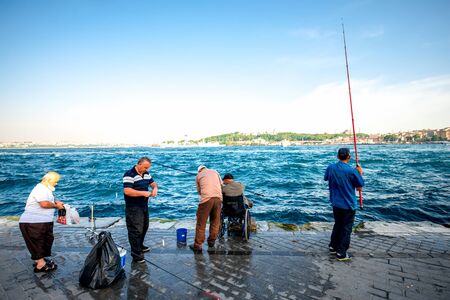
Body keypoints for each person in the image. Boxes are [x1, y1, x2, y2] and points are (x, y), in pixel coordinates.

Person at [19, 172, 65, 272]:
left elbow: (46, 201)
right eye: (55, 182)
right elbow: (44, 204)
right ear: (47, 180)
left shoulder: (45, 190)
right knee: (38, 241)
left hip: (41, 221)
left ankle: (40, 259)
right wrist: (56, 206)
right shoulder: (40, 189)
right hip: (34, 222)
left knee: (45, 240)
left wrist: (55, 202)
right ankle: (40, 265)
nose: (56, 184)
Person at [324, 147, 364, 261]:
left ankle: (333, 246)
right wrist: (360, 173)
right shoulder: (352, 171)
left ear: (337, 156)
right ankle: (341, 253)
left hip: (335, 203)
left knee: (338, 224)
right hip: (348, 204)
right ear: (349, 157)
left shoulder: (331, 167)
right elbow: (360, 184)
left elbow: (326, 178)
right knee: (346, 228)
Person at [123, 156, 158, 263]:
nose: (147, 170)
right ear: (139, 164)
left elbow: (153, 183)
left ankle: (140, 246)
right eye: (145, 167)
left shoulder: (146, 174)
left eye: (148, 168)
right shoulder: (129, 174)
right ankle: (136, 254)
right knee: (135, 230)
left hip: (144, 205)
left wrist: (155, 188)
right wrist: (144, 193)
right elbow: (127, 191)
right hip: (133, 207)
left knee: (144, 227)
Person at [190, 165, 223, 253]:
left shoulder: (198, 175)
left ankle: (198, 246)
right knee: (215, 222)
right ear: (205, 168)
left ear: (199, 171)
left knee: (201, 223)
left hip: (206, 200)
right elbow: (221, 185)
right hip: (218, 199)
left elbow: (199, 191)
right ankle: (211, 242)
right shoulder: (215, 172)